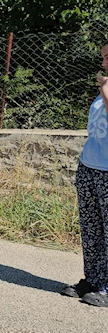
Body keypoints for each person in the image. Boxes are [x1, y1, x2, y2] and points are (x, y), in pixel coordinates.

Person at [60, 41, 108, 307]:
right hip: (90, 167)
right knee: (91, 230)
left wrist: (104, 90)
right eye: (103, 58)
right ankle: (93, 280)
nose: (104, 63)